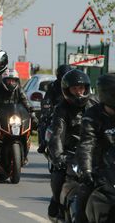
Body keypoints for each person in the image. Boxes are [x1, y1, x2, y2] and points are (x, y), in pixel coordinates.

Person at [46, 69, 95, 221]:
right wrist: (59, 157)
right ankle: (57, 203)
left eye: (81, 88)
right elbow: (56, 135)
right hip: (70, 153)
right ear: (67, 90)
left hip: (94, 152)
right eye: (74, 89)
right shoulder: (61, 109)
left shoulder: (95, 105)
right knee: (59, 174)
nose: (79, 92)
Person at [76, 73, 115, 223]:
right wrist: (86, 171)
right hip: (100, 170)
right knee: (83, 199)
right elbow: (86, 144)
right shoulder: (92, 115)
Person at [0, 69, 37, 168]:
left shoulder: (19, 90)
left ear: (17, 81)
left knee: (27, 131)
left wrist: (32, 112)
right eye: (9, 80)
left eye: (13, 80)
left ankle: (24, 155)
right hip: (0, 116)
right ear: (4, 80)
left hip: (16, 117)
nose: (11, 82)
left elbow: (26, 102)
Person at [37, 64, 73, 153]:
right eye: (63, 76)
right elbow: (47, 99)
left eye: (67, 76)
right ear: (59, 76)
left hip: (72, 111)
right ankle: (43, 143)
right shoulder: (53, 86)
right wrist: (46, 107)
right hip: (56, 111)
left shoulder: (73, 85)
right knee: (44, 121)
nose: (65, 78)